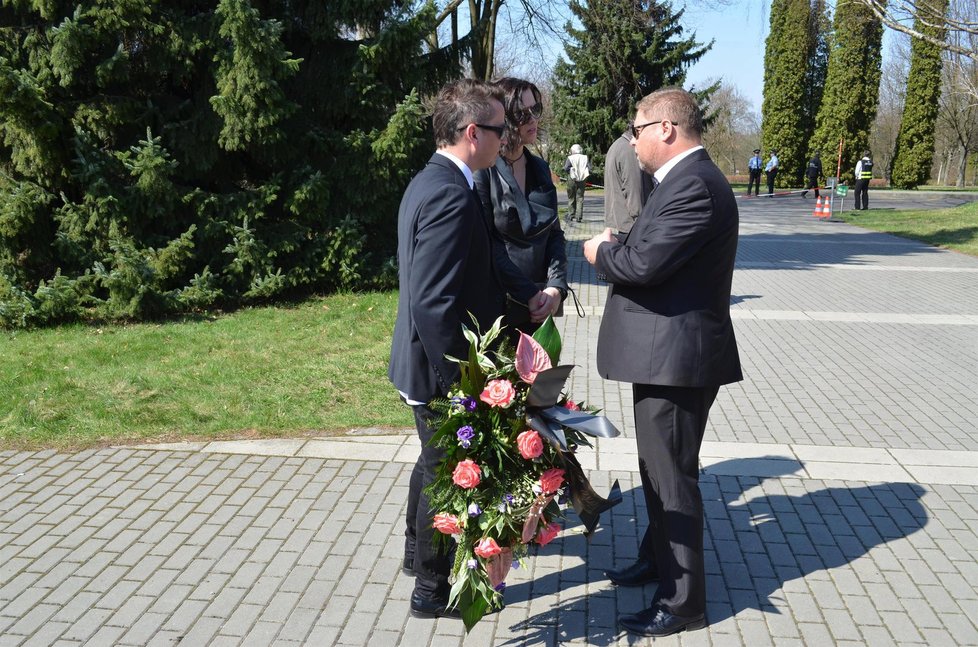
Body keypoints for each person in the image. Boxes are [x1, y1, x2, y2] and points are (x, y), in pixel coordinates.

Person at [583, 87, 742, 638]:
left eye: (637, 128)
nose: (632, 138)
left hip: (678, 360)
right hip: (665, 356)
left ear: (667, 129)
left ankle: (682, 602)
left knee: (672, 478)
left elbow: (645, 263)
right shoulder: (680, 182)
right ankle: (658, 560)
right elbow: (655, 249)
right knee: (658, 471)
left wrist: (600, 252)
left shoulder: (695, 185)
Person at [389, 78, 546, 620]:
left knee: (432, 465)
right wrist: (466, 381)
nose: (507, 140)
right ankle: (432, 591)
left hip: (422, 363)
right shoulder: (449, 194)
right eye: (501, 130)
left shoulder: (436, 181)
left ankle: (416, 557)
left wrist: (529, 294)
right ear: (473, 132)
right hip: (439, 369)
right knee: (444, 473)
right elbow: (433, 304)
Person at [475, 77, 567, 331]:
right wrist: (528, 293)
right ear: (503, 118)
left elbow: (555, 235)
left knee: (545, 372)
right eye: (521, 113)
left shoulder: (540, 168)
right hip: (498, 309)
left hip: (541, 305)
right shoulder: (484, 171)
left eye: (535, 109)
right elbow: (487, 244)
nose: (533, 119)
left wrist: (556, 288)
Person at [604, 129, 654, 234]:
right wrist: (642, 223)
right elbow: (634, 190)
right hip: (630, 226)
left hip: (620, 221)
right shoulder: (629, 150)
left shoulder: (618, 145)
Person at [563, 144, 590, 223]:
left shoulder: (570, 158)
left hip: (572, 179)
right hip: (582, 179)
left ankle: (571, 215)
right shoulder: (585, 157)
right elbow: (590, 168)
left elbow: (566, 168)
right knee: (580, 198)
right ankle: (579, 217)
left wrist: (571, 171)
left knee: (571, 197)